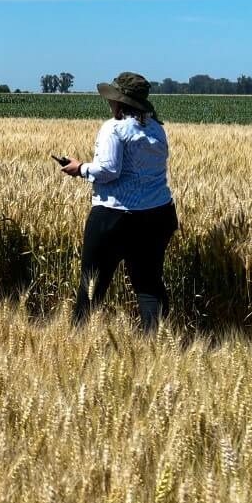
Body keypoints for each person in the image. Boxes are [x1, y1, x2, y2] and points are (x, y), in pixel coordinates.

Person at [59, 72, 177, 332]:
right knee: (149, 283)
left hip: (115, 217)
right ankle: (156, 345)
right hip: (158, 216)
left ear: (120, 102)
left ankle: (78, 341)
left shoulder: (114, 128)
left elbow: (109, 170)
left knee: (93, 284)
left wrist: (80, 168)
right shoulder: (157, 129)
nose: (109, 103)